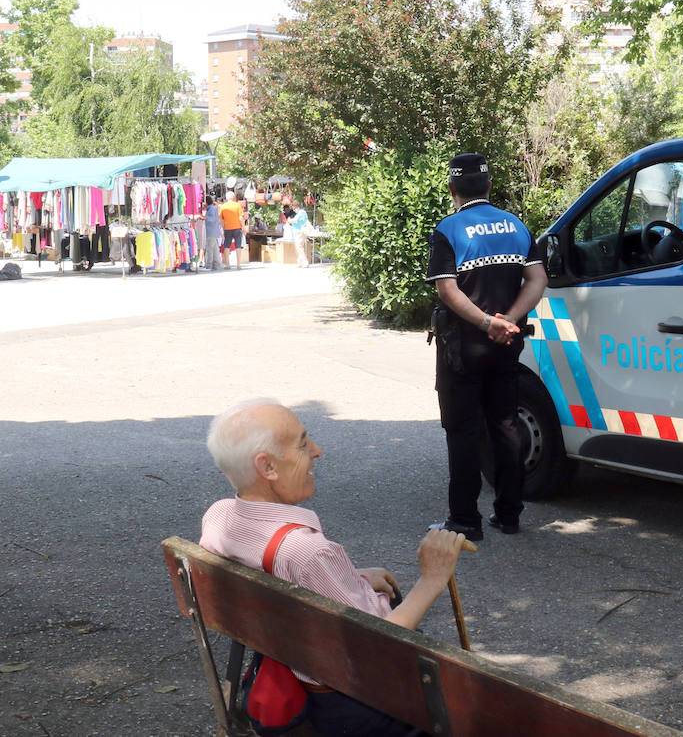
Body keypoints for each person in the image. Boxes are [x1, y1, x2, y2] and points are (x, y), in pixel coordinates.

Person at [200, 399, 465, 736]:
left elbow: (273, 568)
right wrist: (433, 578)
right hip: (349, 700)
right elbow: (382, 644)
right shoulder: (308, 553)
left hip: (285, 662)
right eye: (302, 443)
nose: (317, 451)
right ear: (267, 467)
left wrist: (349, 579)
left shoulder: (219, 517)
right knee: (468, 708)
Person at [425, 153, 548, 540]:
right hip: (506, 345)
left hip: (463, 348)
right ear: (489, 186)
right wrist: (508, 320)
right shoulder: (517, 226)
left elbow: (448, 290)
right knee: (506, 425)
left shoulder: (448, 229)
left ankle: (465, 521)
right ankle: (509, 515)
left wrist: (485, 322)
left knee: (462, 431)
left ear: (452, 189)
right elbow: (537, 279)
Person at [219, 190, 245, 269]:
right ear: (233, 197)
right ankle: (238, 264)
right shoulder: (237, 205)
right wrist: (243, 227)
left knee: (227, 246)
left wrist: (224, 227)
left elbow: (221, 220)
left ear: (226, 198)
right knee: (238, 246)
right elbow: (241, 217)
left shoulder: (223, 206)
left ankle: (228, 265)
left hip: (227, 228)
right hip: (237, 228)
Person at [202, 195, 223, 271]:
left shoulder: (211, 209)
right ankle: (216, 265)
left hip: (211, 232)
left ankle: (209, 266)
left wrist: (203, 217)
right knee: (215, 249)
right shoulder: (213, 208)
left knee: (210, 249)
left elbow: (211, 219)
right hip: (214, 232)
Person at [288, 203, 312, 267]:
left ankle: (305, 262)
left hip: (300, 231)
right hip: (299, 231)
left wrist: (289, 220)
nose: (294, 210)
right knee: (298, 247)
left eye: (294, 209)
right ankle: (300, 262)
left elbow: (295, 220)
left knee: (299, 247)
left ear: (297, 207)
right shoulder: (301, 213)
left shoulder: (301, 212)